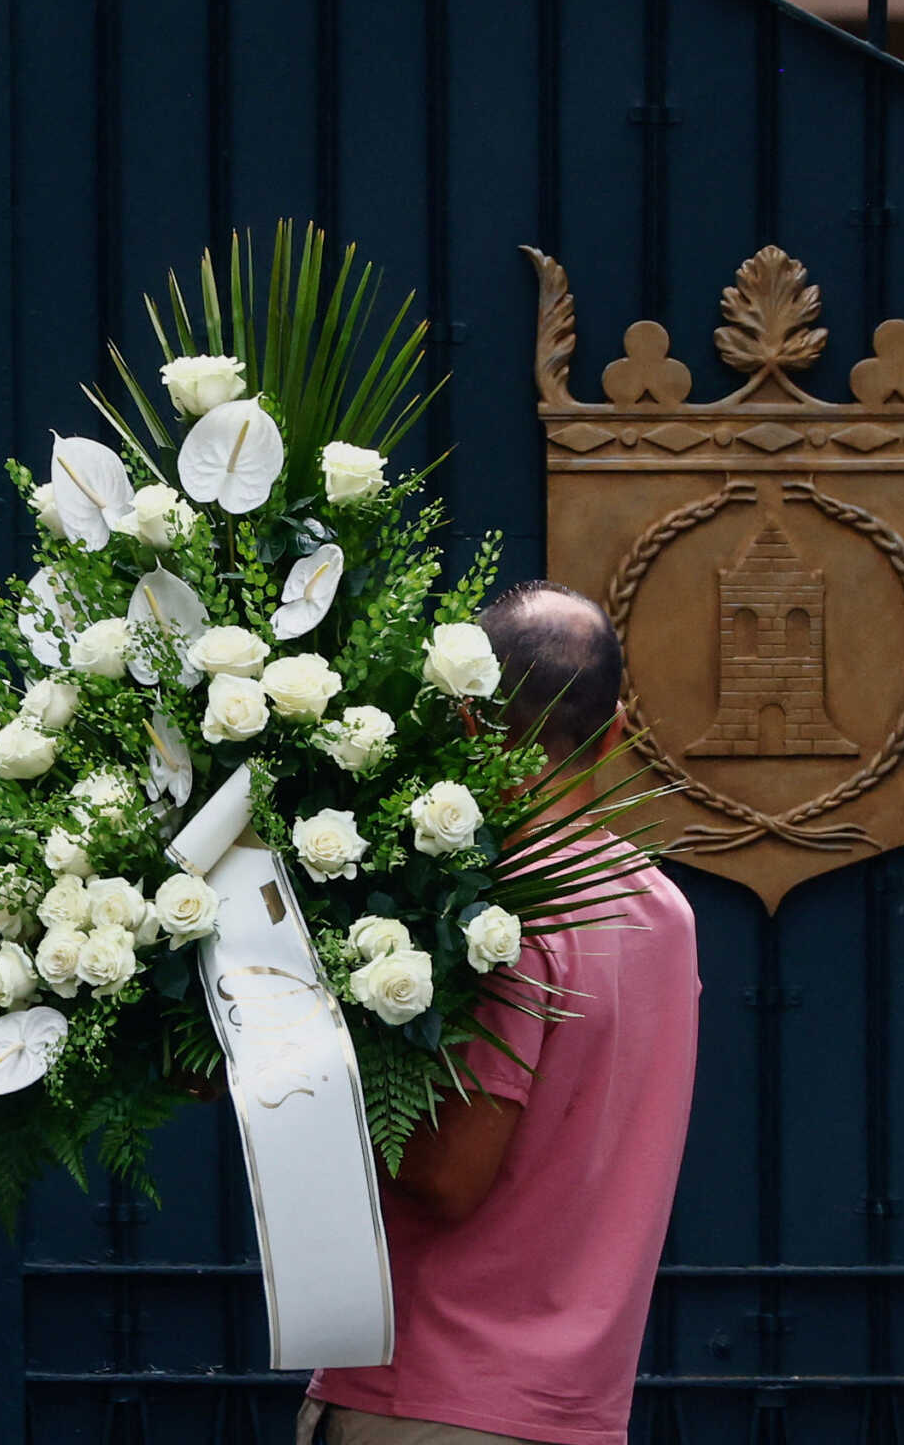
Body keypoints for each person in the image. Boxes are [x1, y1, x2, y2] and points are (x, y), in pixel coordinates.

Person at [300, 581, 700, 1445]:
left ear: (468, 722)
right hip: (578, 1406)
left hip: (433, 1395)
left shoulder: (497, 913)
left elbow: (448, 1177)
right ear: (620, 728)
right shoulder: (663, 913)